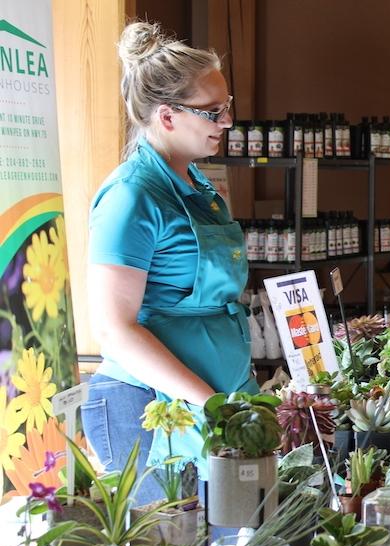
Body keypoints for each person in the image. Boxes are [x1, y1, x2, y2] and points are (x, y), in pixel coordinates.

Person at [81, 22, 257, 503]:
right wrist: (210, 403)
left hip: (215, 404)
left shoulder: (198, 184)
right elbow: (115, 330)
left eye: (228, 108)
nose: (227, 122)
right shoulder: (131, 195)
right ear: (167, 115)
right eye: (213, 112)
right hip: (148, 408)